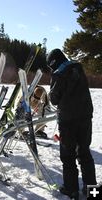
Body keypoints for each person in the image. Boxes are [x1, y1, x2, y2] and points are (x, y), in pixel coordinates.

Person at [47, 49, 97, 200]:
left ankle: (71, 189)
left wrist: (51, 93)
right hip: (85, 117)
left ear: (54, 62)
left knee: (68, 156)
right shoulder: (78, 67)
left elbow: (54, 99)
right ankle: (92, 191)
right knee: (84, 153)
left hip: (69, 121)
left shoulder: (58, 74)